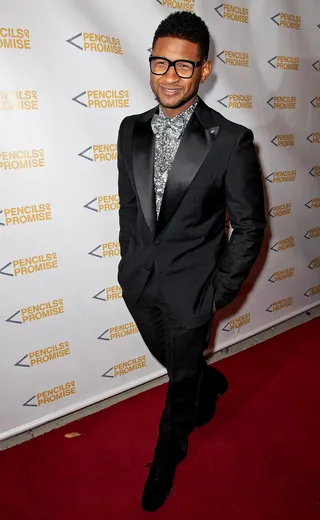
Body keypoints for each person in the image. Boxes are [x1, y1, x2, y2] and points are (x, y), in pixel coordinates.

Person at [117, 11, 266, 512]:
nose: (169, 76)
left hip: (193, 292)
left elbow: (248, 228)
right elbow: (129, 206)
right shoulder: (130, 129)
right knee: (181, 365)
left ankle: (168, 448)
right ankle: (208, 378)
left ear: (204, 70)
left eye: (184, 66)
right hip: (138, 283)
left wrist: (218, 294)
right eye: (161, 62)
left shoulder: (230, 140)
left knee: (179, 382)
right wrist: (128, 261)